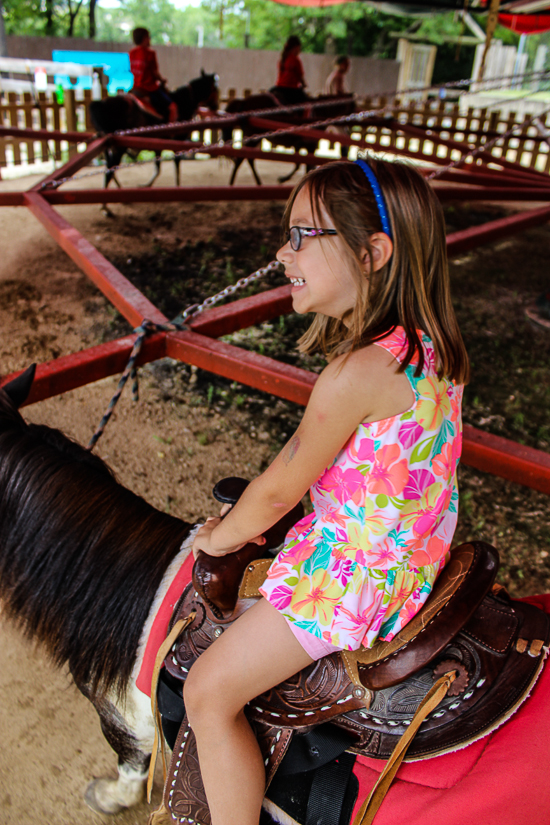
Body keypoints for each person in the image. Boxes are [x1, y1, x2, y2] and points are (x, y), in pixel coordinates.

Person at [186, 157, 469, 825]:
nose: (284, 254)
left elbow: (280, 488)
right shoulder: (434, 348)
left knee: (209, 689)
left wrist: (214, 538)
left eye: (301, 237)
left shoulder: (357, 375)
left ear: (373, 252)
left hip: (355, 576)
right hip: (413, 552)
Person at [129, 27, 176, 121]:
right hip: (149, 88)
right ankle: (171, 131)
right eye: (148, 37)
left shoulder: (132, 53)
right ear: (144, 38)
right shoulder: (150, 53)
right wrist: (162, 80)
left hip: (135, 87)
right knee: (173, 107)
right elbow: (155, 73)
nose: (150, 40)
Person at [272, 35, 308, 105]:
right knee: (307, 104)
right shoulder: (295, 60)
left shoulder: (283, 59)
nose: (299, 51)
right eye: (299, 48)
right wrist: (304, 84)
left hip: (279, 87)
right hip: (291, 89)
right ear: (296, 47)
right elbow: (300, 77)